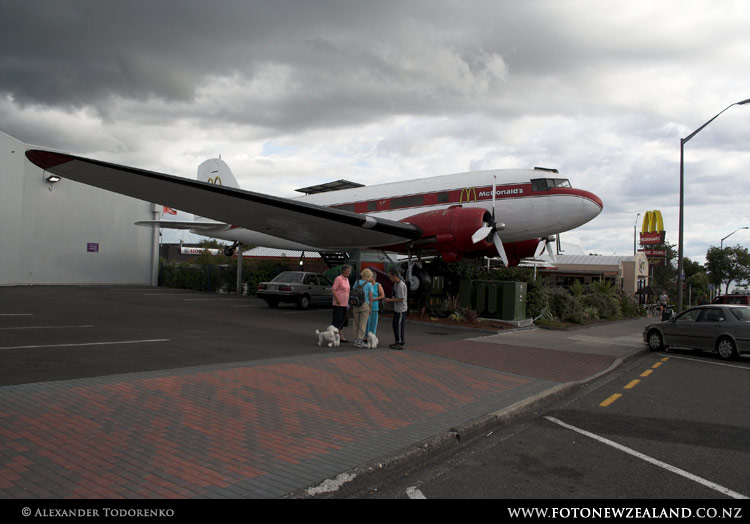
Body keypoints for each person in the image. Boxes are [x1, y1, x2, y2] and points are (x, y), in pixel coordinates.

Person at [385, 269, 407, 350]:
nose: (390, 279)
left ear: (395, 276)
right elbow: (395, 295)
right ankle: (397, 341)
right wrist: (392, 298)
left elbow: (401, 299)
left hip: (401, 309)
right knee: (395, 325)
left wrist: (390, 300)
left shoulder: (401, 285)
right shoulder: (396, 284)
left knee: (399, 326)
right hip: (397, 309)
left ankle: (400, 342)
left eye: (390, 277)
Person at [352, 268, 374, 348]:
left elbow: (353, 293)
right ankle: (360, 341)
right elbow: (371, 298)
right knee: (363, 324)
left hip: (356, 305)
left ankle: (355, 340)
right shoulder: (369, 284)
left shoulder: (356, 282)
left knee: (356, 323)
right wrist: (370, 308)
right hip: (364, 305)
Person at [331, 265, 351, 343]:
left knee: (343, 320)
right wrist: (337, 299)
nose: (349, 273)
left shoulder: (347, 279)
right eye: (348, 271)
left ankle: (341, 336)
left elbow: (347, 291)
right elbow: (333, 289)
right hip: (338, 303)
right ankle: (332, 336)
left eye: (350, 271)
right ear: (344, 271)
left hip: (345, 303)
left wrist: (348, 302)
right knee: (337, 320)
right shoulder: (338, 279)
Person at [366, 270, 385, 338]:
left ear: (373, 278)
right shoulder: (367, 284)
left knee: (373, 323)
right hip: (366, 306)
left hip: (374, 306)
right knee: (366, 323)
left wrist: (374, 299)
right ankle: (365, 336)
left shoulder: (378, 285)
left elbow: (382, 295)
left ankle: (372, 337)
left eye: (370, 277)